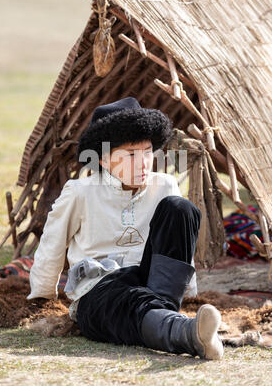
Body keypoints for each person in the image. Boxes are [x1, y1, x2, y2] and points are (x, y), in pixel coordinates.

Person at [27, 97, 224, 360]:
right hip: (101, 288)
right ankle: (190, 334)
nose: (143, 162)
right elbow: (52, 244)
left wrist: (190, 294)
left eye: (147, 153)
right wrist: (42, 296)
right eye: (131, 155)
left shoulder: (164, 184)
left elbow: (178, 243)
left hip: (154, 282)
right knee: (126, 302)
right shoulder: (80, 192)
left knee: (180, 208)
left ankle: (173, 318)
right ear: (105, 160)